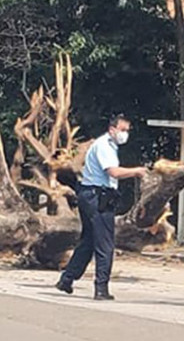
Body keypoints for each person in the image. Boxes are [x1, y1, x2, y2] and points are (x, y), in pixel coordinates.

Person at [55, 114, 148, 300]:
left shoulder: (107, 145)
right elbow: (113, 172)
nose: (125, 134)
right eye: (122, 130)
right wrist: (136, 171)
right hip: (97, 198)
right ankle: (101, 288)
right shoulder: (104, 146)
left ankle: (67, 279)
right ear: (112, 129)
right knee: (105, 244)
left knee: (88, 241)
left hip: (90, 196)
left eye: (127, 131)